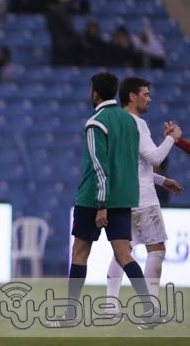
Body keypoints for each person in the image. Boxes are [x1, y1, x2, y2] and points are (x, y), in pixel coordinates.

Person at [47, 72, 157, 330]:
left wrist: (101, 204)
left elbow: (99, 166)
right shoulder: (130, 121)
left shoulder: (96, 122)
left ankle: (71, 314)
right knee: (124, 254)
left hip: (95, 199)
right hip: (124, 198)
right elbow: (133, 163)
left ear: (95, 93)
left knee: (79, 252)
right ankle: (149, 309)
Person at [105, 77, 183, 317]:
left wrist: (161, 180)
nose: (149, 99)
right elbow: (155, 158)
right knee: (156, 249)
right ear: (132, 96)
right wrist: (173, 138)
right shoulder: (138, 124)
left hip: (123, 197)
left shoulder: (116, 122)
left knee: (122, 250)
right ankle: (151, 306)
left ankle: (110, 305)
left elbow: (132, 165)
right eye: (145, 94)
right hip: (144, 199)